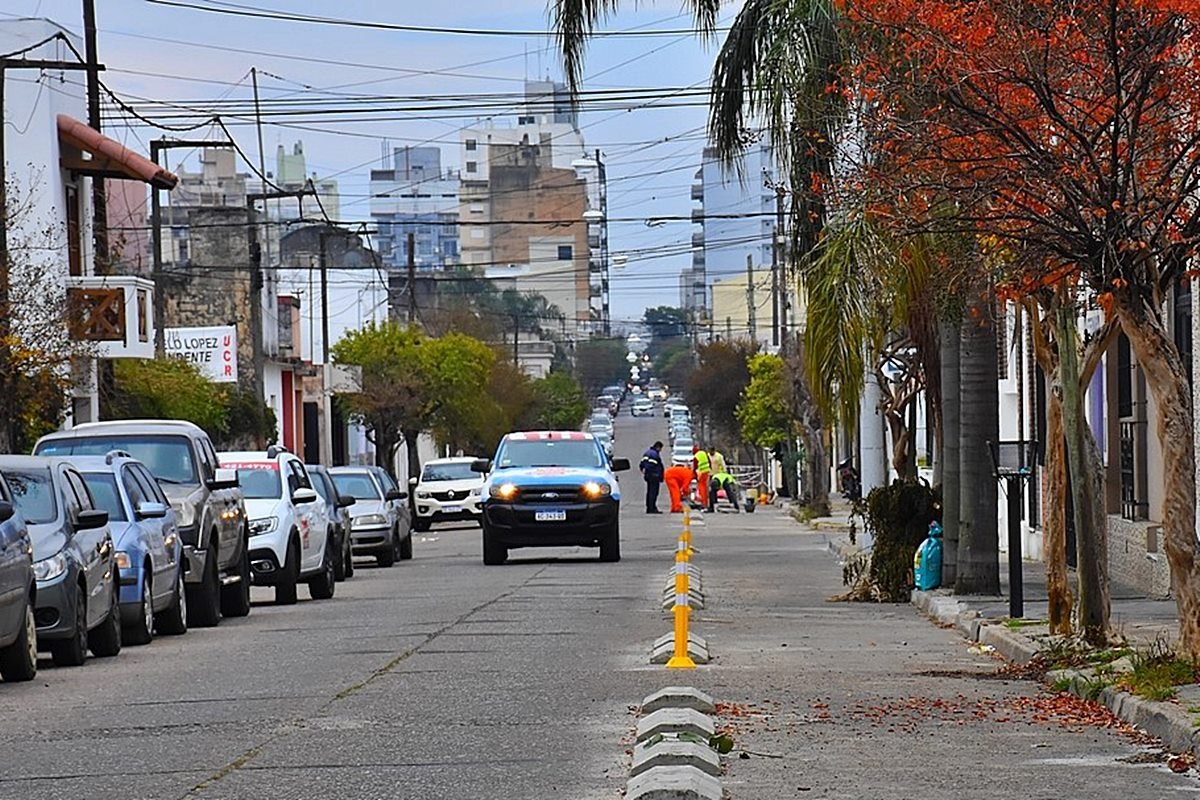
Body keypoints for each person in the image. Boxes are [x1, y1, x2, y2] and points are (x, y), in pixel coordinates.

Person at [639, 441, 665, 514]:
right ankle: (652, 508)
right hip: (654, 476)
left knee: (649, 492)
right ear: (658, 447)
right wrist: (657, 474)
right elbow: (653, 465)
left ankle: (649, 507)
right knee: (653, 492)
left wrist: (643, 470)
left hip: (649, 476)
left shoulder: (647, 453)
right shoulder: (654, 455)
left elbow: (642, 464)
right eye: (660, 449)